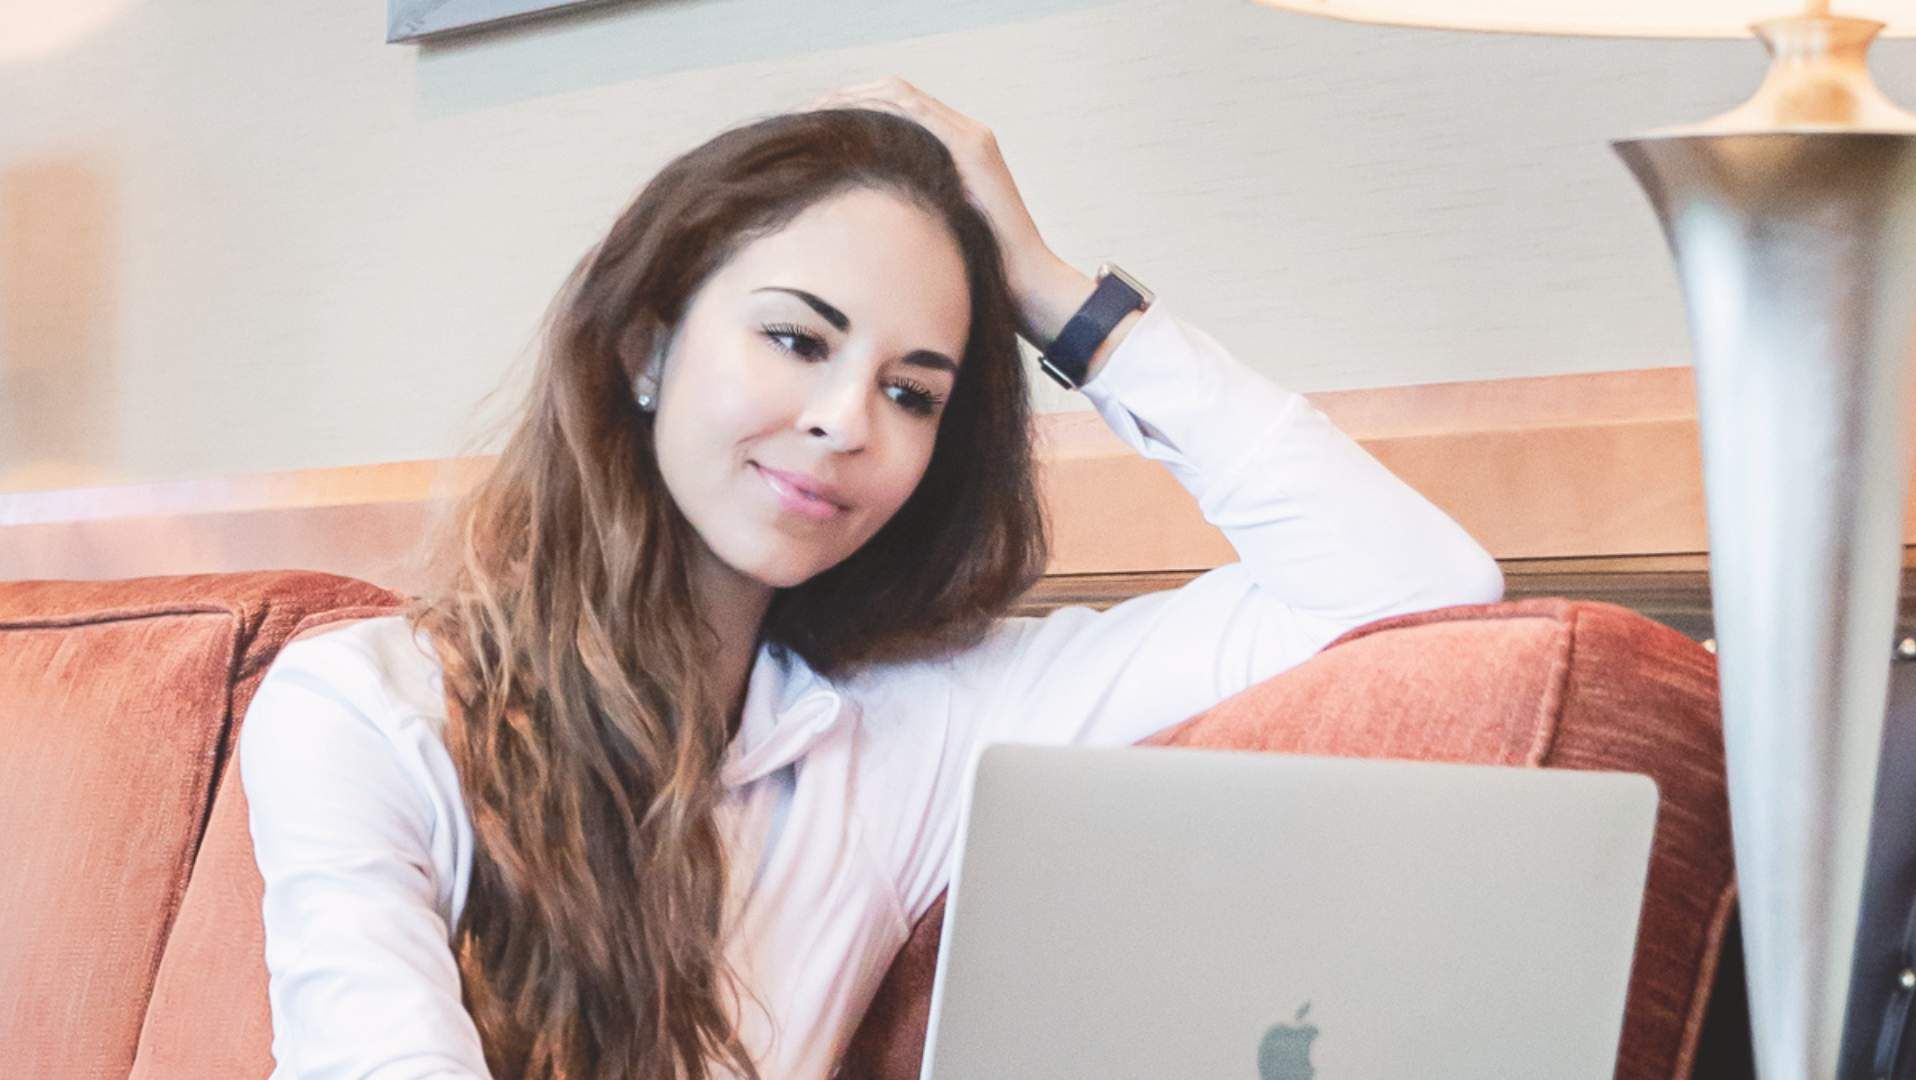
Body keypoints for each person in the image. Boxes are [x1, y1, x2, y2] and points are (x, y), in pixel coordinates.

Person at [239, 77, 1504, 1080]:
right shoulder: (365, 709)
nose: (849, 421)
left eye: (913, 392)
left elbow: (1409, 585)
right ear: (645, 346)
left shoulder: (906, 732)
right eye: (796, 339)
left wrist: (1063, 299)